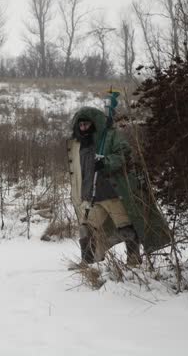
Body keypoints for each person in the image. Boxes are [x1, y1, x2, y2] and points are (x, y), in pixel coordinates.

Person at [67, 106, 142, 266]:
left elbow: (124, 153)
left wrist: (106, 162)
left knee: (126, 229)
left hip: (112, 193)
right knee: (85, 229)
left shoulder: (108, 138)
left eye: (86, 124)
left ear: (93, 124)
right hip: (91, 196)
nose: (83, 128)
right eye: (81, 125)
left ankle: (134, 262)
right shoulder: (79, 146)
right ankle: (87, 263)